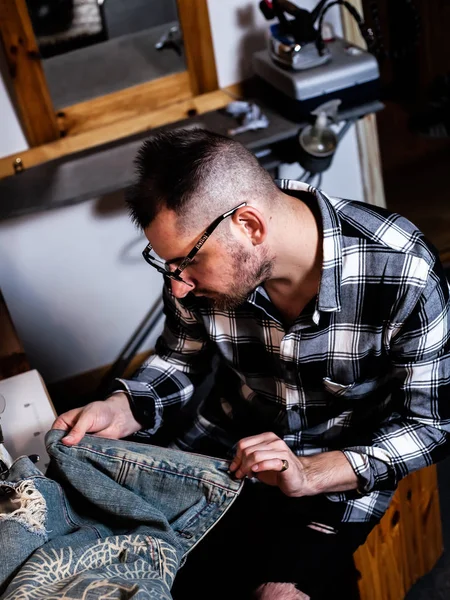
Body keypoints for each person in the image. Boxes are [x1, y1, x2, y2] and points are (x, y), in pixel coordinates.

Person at [52, 128, 450, 600]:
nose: (178, 286)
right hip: (224, 444)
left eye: (186, 264)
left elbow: (431, 424)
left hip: (340, 470)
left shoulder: (403, 268)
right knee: (137, 565)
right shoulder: (197, 271)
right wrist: (124, 406)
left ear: (250, 226)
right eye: (169, 268)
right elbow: (183, 359)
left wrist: (311, 473)